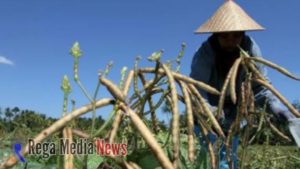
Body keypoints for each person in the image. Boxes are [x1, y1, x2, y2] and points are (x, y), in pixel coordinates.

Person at [190, 1, 296, 169]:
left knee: (229, 162)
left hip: (233, 116)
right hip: (206, 117)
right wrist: (209, 111)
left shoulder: (251, 49)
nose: (231, 41)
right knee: (209, 159)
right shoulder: (205, 52)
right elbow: (196, 88)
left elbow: (259, 86)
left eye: (236, 35)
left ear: (243, 33)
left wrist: (276, 108)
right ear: (216, 34)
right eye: (225, 36)